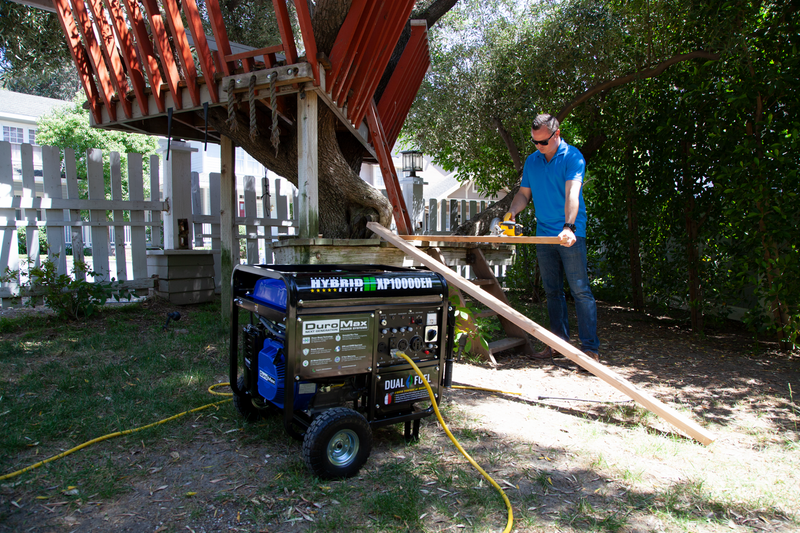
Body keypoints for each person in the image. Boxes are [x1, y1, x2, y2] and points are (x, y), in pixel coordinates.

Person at [505, 114, 600, 361]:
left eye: (543, 142)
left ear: (556, 134)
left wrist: (569, 227)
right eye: (534, 142)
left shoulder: (573, 157)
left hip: (569, 234)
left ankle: (590, 349)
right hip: (544, 234)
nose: (538, 147)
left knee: (580, 290)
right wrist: (512, 212)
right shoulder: (532, 161)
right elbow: (524, 194)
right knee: (553, 291)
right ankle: (558, 345)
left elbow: (573, 194)